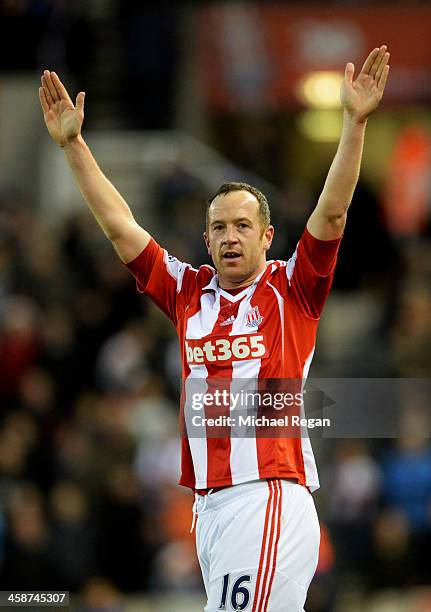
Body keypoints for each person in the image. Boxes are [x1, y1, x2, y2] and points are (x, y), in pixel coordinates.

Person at [39, 45, 390, 611]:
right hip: (209, 509)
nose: (231, 236)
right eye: (219, 227)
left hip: (269, 494)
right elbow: (119, 227)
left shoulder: (292, 288)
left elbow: (330, 215)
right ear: (205, 240)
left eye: (243, 225)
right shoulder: (187, 293)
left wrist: (354, 123)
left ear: (266, 235)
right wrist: (75, 146)